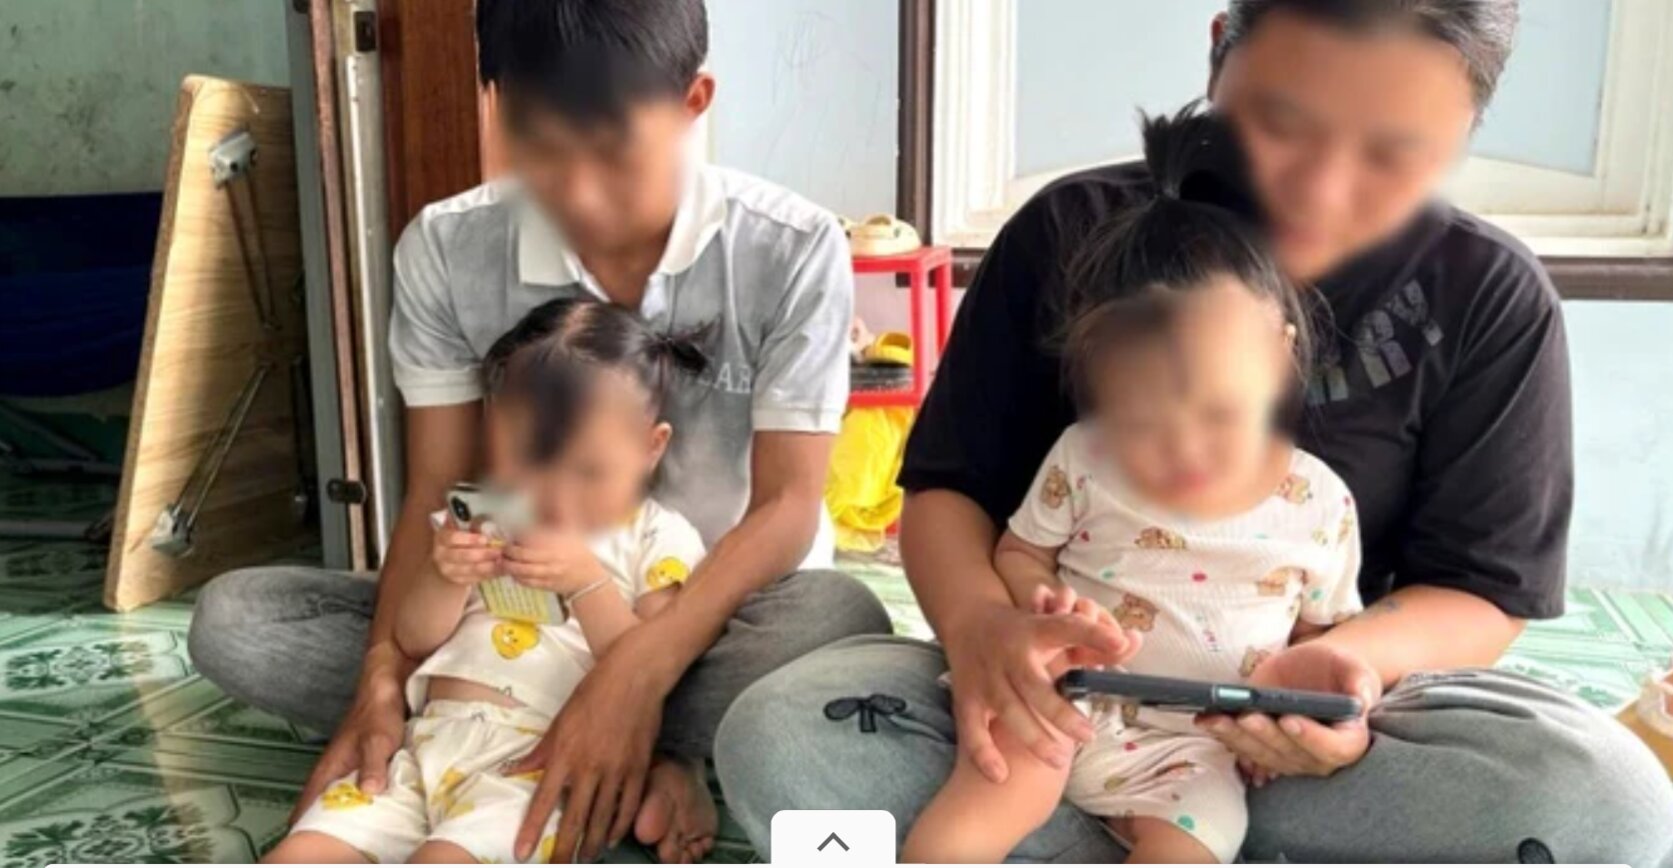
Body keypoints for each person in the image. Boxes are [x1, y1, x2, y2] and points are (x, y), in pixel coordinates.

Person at [716, 1, 1673, 862]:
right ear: (1220, 55)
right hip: (1059, 716)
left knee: (1603, 806)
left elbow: (1480, 592)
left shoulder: (1487, 294)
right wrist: (978, 632)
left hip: (1314, 743)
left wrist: (1349, 671)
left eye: (1395, 153)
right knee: (783, 735)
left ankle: (1168, 837)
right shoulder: (1071, 233)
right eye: (1284, 122)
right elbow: (949, 494)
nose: (1321, 189)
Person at [188, 0, 891, 863]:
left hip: (713, 609)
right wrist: (379, 675)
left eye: (613, 151)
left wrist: (632, 676)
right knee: (234, 619)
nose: (578, 194)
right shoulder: (445, 249)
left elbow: (787, 506)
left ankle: (631, 735)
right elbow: (436, 489)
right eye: (539, 149)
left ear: (693, 101)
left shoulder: (791, 248)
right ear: (495, 105)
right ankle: (639, 748)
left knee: (835, 615)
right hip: (502, 611)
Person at [902, 107, 1366, 865]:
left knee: (1193, 840)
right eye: (1143, 418)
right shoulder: (1085, 457)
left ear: (1280, 357)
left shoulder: (1318, 504)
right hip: (1066, 696)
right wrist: (1039, 603)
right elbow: (1021, 552)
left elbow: (1321, 632)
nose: (1183, 446)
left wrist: (1298, 706)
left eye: (1220, 411)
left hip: (1200, 745)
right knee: (989, 786)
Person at [268, 299, 711, 864]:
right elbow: (413, 639)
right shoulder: (480, 518)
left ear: (651, 447)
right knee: (298, 854)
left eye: (586, 470)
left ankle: (663, 778)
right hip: (422, 746)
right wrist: (445, 576)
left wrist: (587, 583)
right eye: (523, 462)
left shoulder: (656, 536)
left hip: (538, 765)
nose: (550, 492)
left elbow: (652, 667)